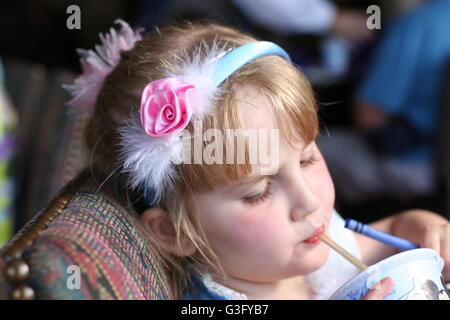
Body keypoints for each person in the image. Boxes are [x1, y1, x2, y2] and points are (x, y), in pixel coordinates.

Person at [64, 20, 450, 300]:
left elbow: (387, 239)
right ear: (175, 233)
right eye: (259, 191)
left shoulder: (310, 240)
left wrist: (420, 225)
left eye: (308, 158)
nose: (309, 202)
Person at [318, 0, 450, 204]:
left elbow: (368, 117)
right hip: (437, 170)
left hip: (421, 165)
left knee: (310, 150)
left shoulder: (420, 24)